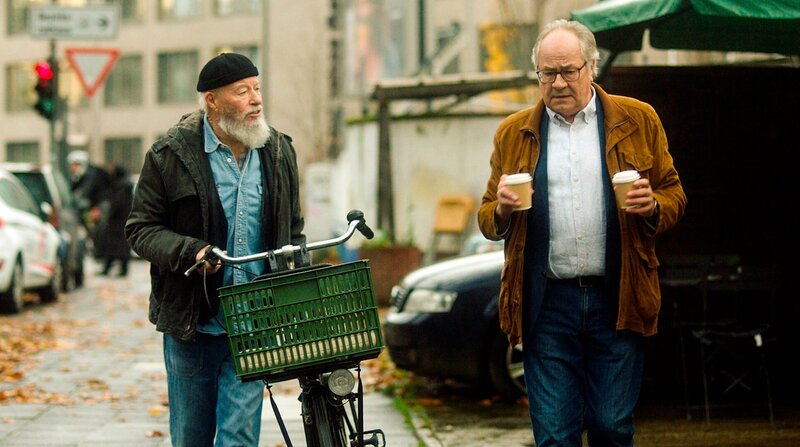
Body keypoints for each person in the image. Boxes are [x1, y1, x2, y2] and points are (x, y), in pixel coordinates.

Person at [477, 19, 686, 447]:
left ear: (590, 67)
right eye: (547, 73)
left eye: (568, 71)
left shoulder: (638, 119)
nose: (557, 82)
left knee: (611, 428)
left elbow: (675, 194)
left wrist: (653, 206)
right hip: (547, 304)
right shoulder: (512, 133)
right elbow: (485, 217)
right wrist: (501, 208)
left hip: (619, 297)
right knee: (555, 436)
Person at [125, 53, 306, 446]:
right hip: (194, 323)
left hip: (255, 324)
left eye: (257, 89)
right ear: (212, 101)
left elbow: (292, 229)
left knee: (239, 437)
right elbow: (140, 229)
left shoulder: (277, 152)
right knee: (192, 437)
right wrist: (190, 251)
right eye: (242, 92)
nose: (256, 99)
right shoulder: (169, 155)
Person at [67, 150, 112, 255]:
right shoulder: (78, 176)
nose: (71, 168)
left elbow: (85, 192)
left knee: (99, 230)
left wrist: (96, 208)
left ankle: (101, 252)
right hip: (89, 208)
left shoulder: (93, 174)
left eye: (74, 165)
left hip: (98, 206)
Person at [96, 165, 133, 277]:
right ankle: (118, 269)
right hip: (122, 222)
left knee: (114, 247)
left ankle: (112, 269)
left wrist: (110, 213)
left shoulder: (121, 187)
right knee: (119, 248)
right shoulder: (125, 186)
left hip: (117, 222)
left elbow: (118, 204)